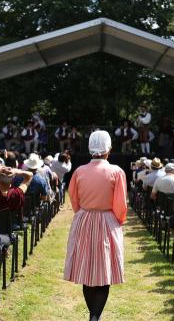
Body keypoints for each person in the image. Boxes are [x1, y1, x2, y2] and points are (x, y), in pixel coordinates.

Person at [64, 130, 127, 321]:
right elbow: (121, 204)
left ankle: (93, 315)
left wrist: (84, 213)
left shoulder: (79, 171)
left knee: (87, 271)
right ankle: (95, 316)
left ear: (90, 148)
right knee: (103, 271)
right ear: (109, 148)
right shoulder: (117, 171)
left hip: (84, 219)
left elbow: (74, 199)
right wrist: (118, 221)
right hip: (107, 220)